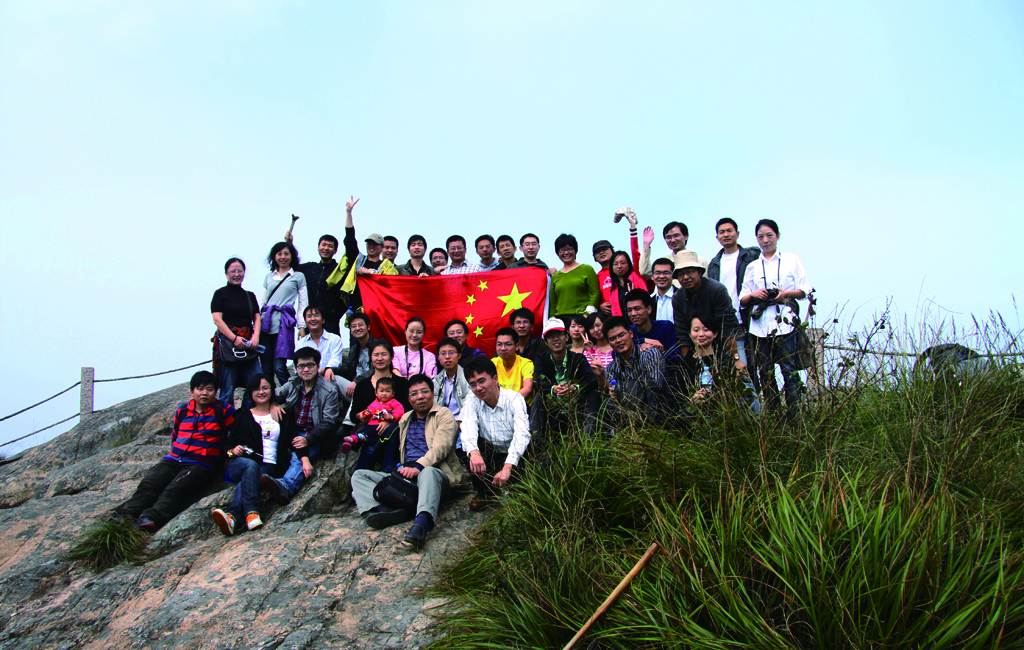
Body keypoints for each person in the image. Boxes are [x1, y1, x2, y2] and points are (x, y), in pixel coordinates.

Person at [351, 374, 464, 550]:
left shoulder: (443, 415)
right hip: (406, 475)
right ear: (409, 399)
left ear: (432, 394)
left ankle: (421, 524)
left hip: (435, 473)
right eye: (414, 394)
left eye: (425, 391)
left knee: (428, 473)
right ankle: (385, 511)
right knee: (359, 475)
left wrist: (419, 467)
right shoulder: (405, 419)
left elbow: (440, 448)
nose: (420, 397)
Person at [114, 371, 236, 532]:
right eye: (200, 388)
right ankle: (124, 516)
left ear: (215, 392)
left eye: (209, 389)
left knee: (175, 489)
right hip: (174, 459)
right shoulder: (182, 410)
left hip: (201, 463)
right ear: (192, 391)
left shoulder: (223, 410)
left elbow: (238, 430)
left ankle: (151, 519)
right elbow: (175, 434)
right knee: (150, 483)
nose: (204, 393)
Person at [210, 374, 309, 536]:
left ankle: (233, 517)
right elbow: (228, 444)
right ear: (250, 392)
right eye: (256, 389)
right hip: (240, 462)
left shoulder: (282, 416)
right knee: (250, 466)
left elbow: (295, 441)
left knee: (249, 477)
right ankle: (252, 512)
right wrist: (233, 450)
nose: (261, 392)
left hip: (269, 465)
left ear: (272, 390)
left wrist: (304, 459)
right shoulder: (242, 416)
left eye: (265, 388)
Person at [739, 219, 812, 412]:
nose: (765, 240)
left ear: (777, 236)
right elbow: (743, 299)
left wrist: (785, 294)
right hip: (760, 325)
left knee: (789, 369)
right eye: (761, 236)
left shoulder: (791, 259)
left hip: (786, 321)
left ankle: (795, 414)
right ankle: (774, 414)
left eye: (769, 235)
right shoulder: (753, 266)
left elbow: (805, 290)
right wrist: (755, 295)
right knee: (765, 372)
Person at [261, 347, 339, 505]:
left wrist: (308, 439)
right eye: (301, 366)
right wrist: (274, 403)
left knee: (299, 457)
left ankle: (286, 486)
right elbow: (273, 394)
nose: (306, 369)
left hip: (315, 434)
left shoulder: (329, 390)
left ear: (318, 366)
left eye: (310, 365)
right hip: (292, 429)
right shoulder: (293, 383)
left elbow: (329, 422)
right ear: (296, 368)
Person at [460, 357, 531, 511]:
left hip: (513, 455)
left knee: (527, 448)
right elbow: (467, 427)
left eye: (482, 381)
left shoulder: (514, 399)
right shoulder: (472, 399)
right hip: (491, 452)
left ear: (495, 379)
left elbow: (521, 433)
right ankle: (485, 492)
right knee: (469, 448)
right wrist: (474, 453)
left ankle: (516, 487)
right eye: (473, 384)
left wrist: (507, 467)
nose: (478, 388)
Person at [706, 218, 762, 368]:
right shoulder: (714, 264)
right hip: (727, 321)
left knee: (759, 364)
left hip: (750, 317)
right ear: (717, 237)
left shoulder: (751, 256)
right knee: (736, 366)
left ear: (737, 233)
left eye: (729, 231)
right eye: (722, 232)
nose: (726, 234)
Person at [348, 342, 412, 469]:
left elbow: (407, 411)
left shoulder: (401, 383)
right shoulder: (362, 385)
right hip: (370, 428)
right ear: (371, 357)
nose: (380, 358)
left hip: (395, 431)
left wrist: (389, 421)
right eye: (376, 355)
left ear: (391, 356)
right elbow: (353, 414)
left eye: (384, 354)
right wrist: (361, 416)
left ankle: (386, 469)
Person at [671, 250, 741, 363]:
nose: (686, 277)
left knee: (739, 370)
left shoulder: (717, 290)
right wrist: (688, 362)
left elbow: (727, 325)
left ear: (699, 272)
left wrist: (736, 358)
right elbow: (682, 331)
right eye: (680, 274)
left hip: (729, 341)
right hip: (698, 346)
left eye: (690, 272)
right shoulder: (678, 297)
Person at [532, 318, 599, 434]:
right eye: (550, 336)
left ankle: (589, 438)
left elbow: (592, 380)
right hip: (553, 411)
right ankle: (536, 440)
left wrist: (575, 388)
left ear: (567, 337)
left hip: (576, 409)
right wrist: (553, 389)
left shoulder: (578, 358)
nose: (555, 339)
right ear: (545, 342)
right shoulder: (541, 359)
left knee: (593, 394)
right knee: (539, 397)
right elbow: (537, 381)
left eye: (559, 334)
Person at [211, 257, 262, 408]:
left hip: (248, 343)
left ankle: (244, 416)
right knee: (227, 388)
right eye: (233, 271)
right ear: (226, 274)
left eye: (240, 271)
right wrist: (234, 339)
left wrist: (256, 337)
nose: (237, 274)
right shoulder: (220, 294)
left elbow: (257, 318)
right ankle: (227, 420)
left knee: (256, 383)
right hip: (228, 344)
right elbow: (217, 320)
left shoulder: (249, 295)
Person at [683, 314, 759, 415]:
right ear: (689, 333)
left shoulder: (725, 361)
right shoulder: (684, 363)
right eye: (696, 330)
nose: (701, 334)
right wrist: (692, 402)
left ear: (715, 333)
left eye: (706, 330)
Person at [594, 316, 666, 416]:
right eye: (612, 339)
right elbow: (607, 391)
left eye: (621, 335)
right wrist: (601, 376)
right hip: (627, 412)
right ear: (609, 343)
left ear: (631, 333)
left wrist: (620, 390)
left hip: (656, 410)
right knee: (607, 403)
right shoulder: (612, 367)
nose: (618, 340)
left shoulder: (649, 353)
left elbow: (655, 386)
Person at [260, 241, 308, 388]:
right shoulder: (268, 277)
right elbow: (262, 302)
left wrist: (301, 326)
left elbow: (303, 303)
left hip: (283, 325)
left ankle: (291, 393)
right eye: (279, 254)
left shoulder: (298, 276)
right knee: (266, 368)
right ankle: (270, 397)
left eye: (286, 254)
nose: (283, 257)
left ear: (292, 256)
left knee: (279, 367)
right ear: (274, 256)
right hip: (266, 325)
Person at [288, 233, 345, 335]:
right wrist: (289, 244)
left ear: (335, 251)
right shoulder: (310, 268)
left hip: (330, 321)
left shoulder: (340, 270)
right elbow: (292, 265)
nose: (326, 248)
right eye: (323, 245)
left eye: (330, 246)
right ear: (318, 247)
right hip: (311, 320)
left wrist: (336, 313)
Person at [343, 377, 405, 470]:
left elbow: (400, 411)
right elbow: (369, 412)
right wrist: (365, 414)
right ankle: (352, 443)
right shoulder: (375, 403)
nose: (384, 393)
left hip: (379, 426)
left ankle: (358, 439)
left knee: (369, 433)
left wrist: (392, 417)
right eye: (381, 391)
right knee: (363, 430)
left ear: (393, 393)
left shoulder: (393, 403)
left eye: (387, 391)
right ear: (376, 393)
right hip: (371, 424)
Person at [595, 208, 645, 310]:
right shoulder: (597, 278)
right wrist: (599, 306)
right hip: (613, 317)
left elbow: (636, 255)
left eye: (605, 249)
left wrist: (633, 228)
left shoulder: (633, 275)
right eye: (598, 251)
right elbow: (593, 297)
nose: (601, 252)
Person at [549, 233, 600, 319]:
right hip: (560, 319)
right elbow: (553, 304)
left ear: (575, 250)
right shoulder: (555, 276)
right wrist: (552, 321)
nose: (566, 252)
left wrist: (587, 314)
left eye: (569, 249)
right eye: (562, 250)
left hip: (581, 318)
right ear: (557, 253)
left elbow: (594, 293)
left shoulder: (587, 269)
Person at [337, 312, 386, 400]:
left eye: (360, 325)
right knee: (332, 377)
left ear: (368, 327)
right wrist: (329, 370)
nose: (357, 328)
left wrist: (356, 381)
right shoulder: (354, 349)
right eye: (353, 326)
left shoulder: (378, 346)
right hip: (355, 389)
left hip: (374, 389)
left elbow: (376, 370)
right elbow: (345, 368)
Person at [638, 220, 708, 277]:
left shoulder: (699, 261)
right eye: (668, 237)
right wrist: (646, 244)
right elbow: (644, 271)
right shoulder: (664, 262)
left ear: (686, 236)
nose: (673, 240)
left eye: (676, 235)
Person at [295, 306, 344, 380]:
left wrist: (316, 374)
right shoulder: (300, 343)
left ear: (323, 320)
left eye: (316, 315)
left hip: (328, 379)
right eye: (309, 316)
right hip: (307, 380)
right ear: (305, 321)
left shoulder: (334, 339)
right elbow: (297, 366)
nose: (313, 319)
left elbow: (335, 362)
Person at [492, 328, 535, 405]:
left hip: (522, 406)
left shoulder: (526, 363)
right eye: (499, 344)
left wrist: (506, 403)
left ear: (517, 346)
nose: (503, 348)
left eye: (508, 344)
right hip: (499, 406)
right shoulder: (492, 363)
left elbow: (528, 389)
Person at [433, 337, 471, 425]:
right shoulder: (435, 381)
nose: (447, 357)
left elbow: (471, 404)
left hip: (464, 422)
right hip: (441, 423)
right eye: (443, 353)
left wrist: (460, 421)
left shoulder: (468, 378)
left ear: (459, 355)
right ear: (438, 357)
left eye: (451, 353)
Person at [603, 250, 650, 317]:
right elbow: (616, 314)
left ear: (629, 264)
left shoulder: (636, 276)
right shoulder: (613, 292)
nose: (619, 266)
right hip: (626, 323)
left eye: (623, 263)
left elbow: (636, 257)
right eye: (615, 264)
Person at [649, 257, 676, 323]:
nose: (661, 276)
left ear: (673, 275)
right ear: (652, 276)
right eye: (657, 273)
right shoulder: (650, 302)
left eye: (666, 273)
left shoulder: (682, 297)